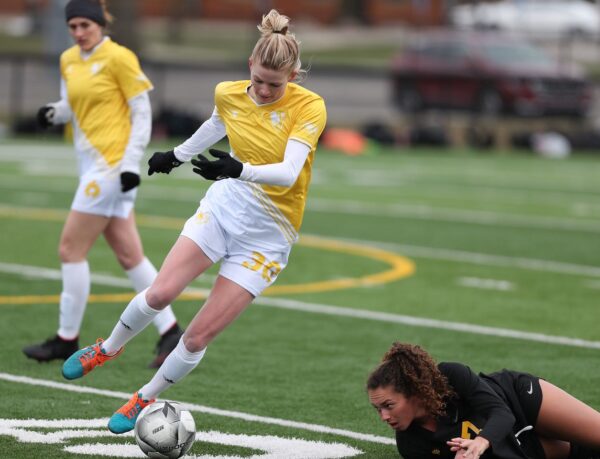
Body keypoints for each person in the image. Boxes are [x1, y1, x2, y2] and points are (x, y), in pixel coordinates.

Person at [61, 9, 327, 435]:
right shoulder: (229, 92)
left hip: (269, 236)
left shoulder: (310, 106)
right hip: (224, 208)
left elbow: (289, 171)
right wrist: (177, 155)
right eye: (257, 80)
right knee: (160, 292)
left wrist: (239, 169)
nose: (262, 90)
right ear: (249, 68)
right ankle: (107, 349)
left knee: (198, 336)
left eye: (274, 84)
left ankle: (142, 398)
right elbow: (219, 122)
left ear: (293, 77)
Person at [23, 0, 183, 369]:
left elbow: (142, 112)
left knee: (69, 249)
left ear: (100, 23)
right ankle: (170, 331)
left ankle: (66, 338)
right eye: (73, 26)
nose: (79, 33)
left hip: (111, 168)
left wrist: (130, 164)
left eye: (85, 25)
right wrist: (54, 112)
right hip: (92, 166)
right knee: (130, 256)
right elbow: (73, 104)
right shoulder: (68, 59)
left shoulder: (119, 57)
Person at [367, 342, 600, 459]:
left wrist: (479, 442)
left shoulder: (449, 376)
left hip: (519, 400)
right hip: (514, 443)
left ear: (414, 392)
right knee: (583, 453)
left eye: (389, 405)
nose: (384, 417)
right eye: (378, 409)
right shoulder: (410, 444)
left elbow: (502, 413)